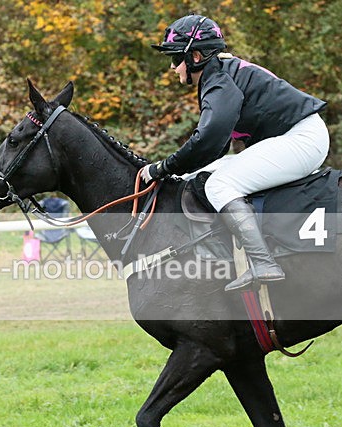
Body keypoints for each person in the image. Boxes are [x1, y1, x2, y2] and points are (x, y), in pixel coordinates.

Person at [141, 14, 330, 291]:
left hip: (301, 139)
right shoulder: (221, 73)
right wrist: (180, 170)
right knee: (201, 175)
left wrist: (164, 167)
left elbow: (207, 138)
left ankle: (263, 262)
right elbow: (215, 148)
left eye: (175, 59)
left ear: (196, 56)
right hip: (299, 137)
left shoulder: (218, 81)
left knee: (219, 184)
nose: (172, 67)